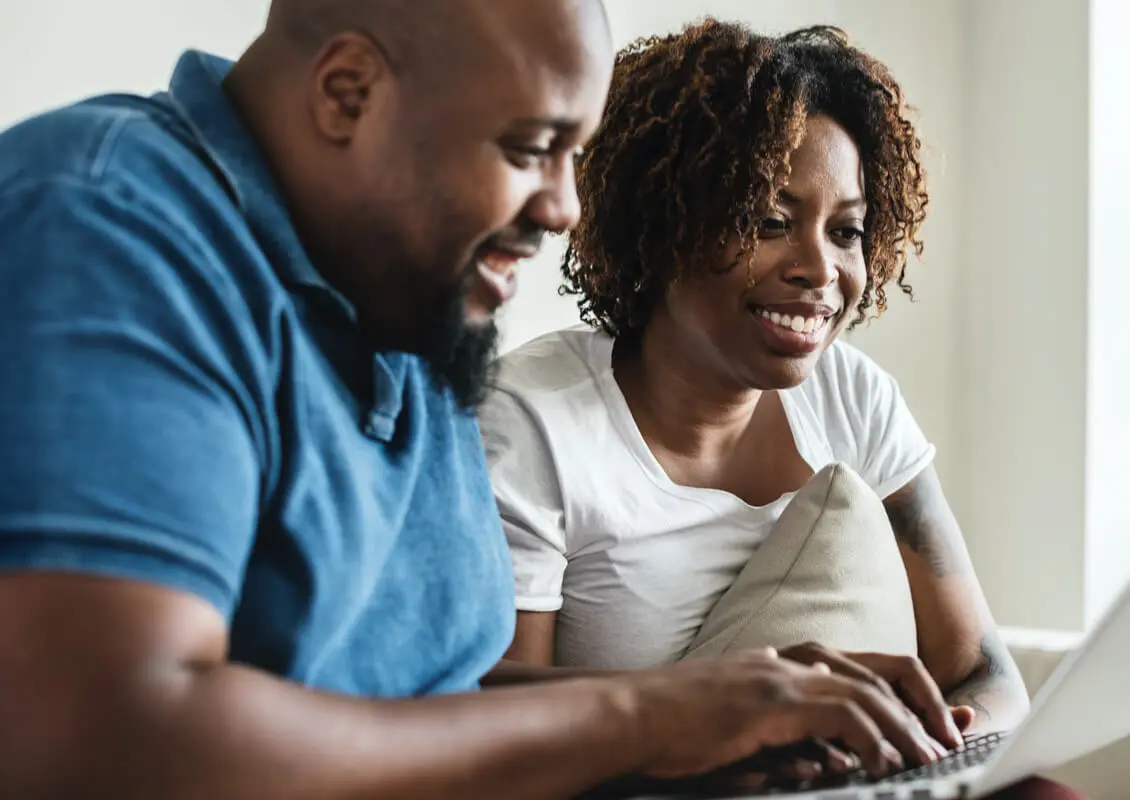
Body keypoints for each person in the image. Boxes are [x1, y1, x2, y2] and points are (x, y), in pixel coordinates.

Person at [0, 2, 988, 798]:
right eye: (527, 148)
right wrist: (648, 717)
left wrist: (729, 706)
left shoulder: (407, 303)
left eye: (574, 155)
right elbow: (96, 737)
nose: (562, 209)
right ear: (349, 92)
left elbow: (436, 697)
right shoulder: (107, 227)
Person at [480, 20, 1032, 740]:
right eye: (771, 220)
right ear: (663, 225)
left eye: (846, 231)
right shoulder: (534, 421)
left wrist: (937, 747)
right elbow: (499, 728)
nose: (820, 270)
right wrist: (708, 718)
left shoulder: (854, 399)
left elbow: (988, 675)